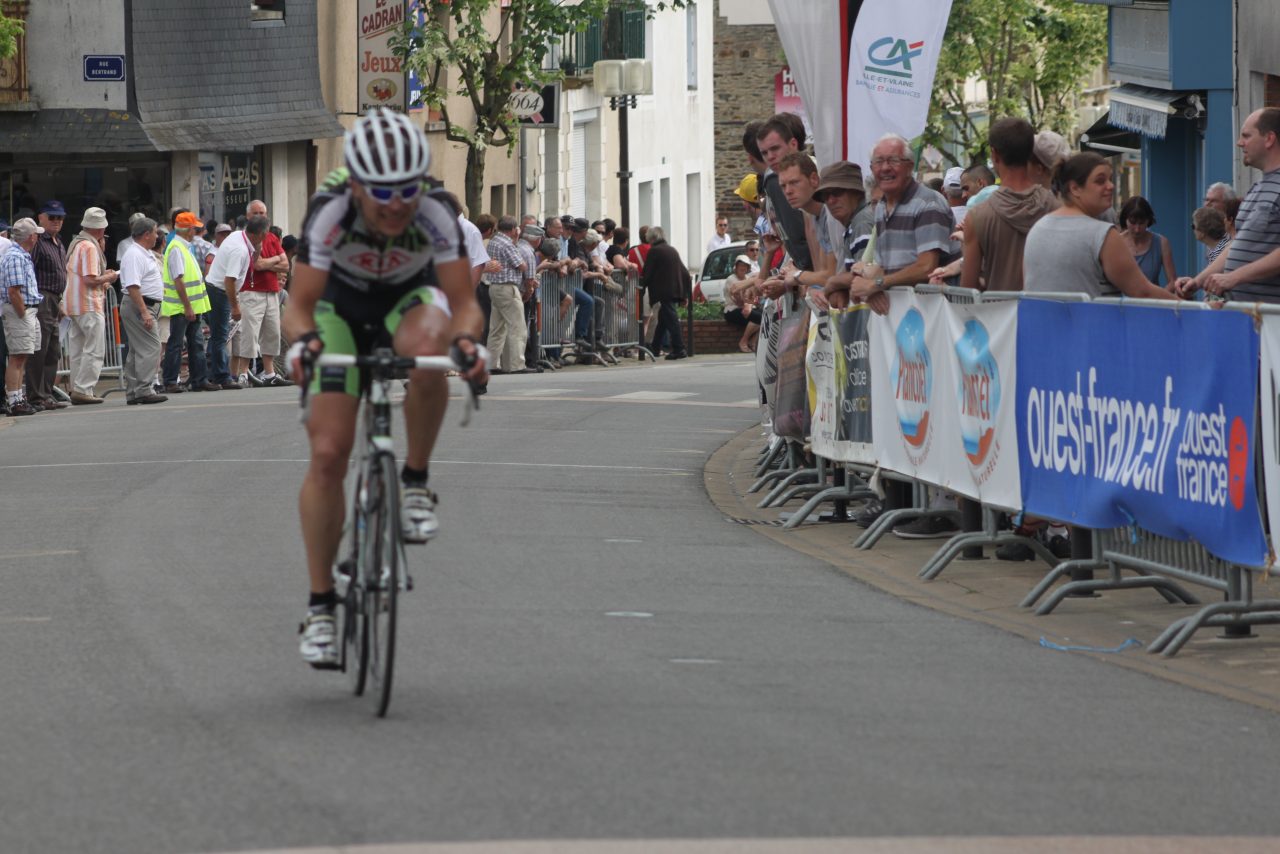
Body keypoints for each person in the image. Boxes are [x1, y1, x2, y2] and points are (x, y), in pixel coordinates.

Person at [283, 108, 487, 668]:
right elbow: (298, 309)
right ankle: (322, 606)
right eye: (380, 191)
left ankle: (415, 480)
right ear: (354, 184)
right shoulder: (330, 212)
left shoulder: (437, 212)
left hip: (407, 301)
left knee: (431, 348)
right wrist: (302, 345)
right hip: (337, 310)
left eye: (406, 190)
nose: (396, 203)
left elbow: (464, 302)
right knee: (327, 454)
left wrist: (467, 344)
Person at [1024, 153, 1178, 301]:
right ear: (1075, 188)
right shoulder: (1103, 235)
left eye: (1110, 179)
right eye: (1100, 181)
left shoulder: (1038, 229)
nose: (1111, 186)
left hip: (1041, 326)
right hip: (1090, 325)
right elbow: (1142, 291)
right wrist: (1189, 308)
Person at [1176, 108, 1280, 304]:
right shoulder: (1257, 188)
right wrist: (1197, 281)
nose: (1240, 143)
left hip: (1269, 323)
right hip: (1242, 317)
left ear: (1269, 139)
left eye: (1246, 136)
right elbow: (1236, 244)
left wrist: (1234, 277)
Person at [960, 117, 1060, 293]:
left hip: (998, 316)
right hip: (1047, 316)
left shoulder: (977, 216)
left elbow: (969, 289)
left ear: (994, 154)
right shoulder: (1057, 208)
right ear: (1031, 152)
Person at [63, 207, 119, 404]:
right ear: (100, 230)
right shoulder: (89, 247)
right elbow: (90, 279)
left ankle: (78, 387)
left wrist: (102, 278)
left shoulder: (76, 243)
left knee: (78, 350)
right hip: (88, 303)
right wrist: (110, 277)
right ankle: (84, 388)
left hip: (74, 304)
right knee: (94, 349)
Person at [204, 216, 268, 389]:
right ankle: (221, 376)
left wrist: (257, 249)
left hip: (218, 289)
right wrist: (235, 306)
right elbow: (229, 280)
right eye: (265, 234)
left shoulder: (240, 236)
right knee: (220, 336)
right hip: (220, 291)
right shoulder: (239, 249)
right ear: (260, 234)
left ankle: (217, 374)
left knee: (219, 335)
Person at [233, 200, 290, 387]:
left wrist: (268, 262)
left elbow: (286, 265)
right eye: (255, 213)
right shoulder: (244, 237)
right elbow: (255, 264)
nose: (259, 216)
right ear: (248, 216)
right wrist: (274, 263)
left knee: (272, 332)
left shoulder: (271, 237)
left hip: (272, 291)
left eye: (262, 212)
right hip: (251, 291)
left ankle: (269, 372)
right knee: (250, 333)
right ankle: (243, 373)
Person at [160, 211, 216, 393]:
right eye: (194, 228)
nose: (196, 232)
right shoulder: (177, 248)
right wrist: (187, 306)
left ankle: (199, 379)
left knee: (195, 343)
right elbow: (178, 280)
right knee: (177, 344)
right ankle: (170, 381)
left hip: (190, 306)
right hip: (182, 307)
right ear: (189, 230)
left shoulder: (183, 247)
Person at [118, 217, 169, 406]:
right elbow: (132, 286)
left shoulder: (142, 252)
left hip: (144, 306)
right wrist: (144, 312)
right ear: (146, 234)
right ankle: (144, 389)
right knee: (152, 347)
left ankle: (134, 391)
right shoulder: (134, 254)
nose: (157, 236)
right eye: (155, 232)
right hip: (140, 306)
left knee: (137, 350)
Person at [25, 201, 70, 411]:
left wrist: (60, 302)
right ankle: (35, 396)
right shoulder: (38, 242)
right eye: (52, 217)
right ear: (41, 217)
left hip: (54, 297)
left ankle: (45, 393)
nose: (56, 221)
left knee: (53, 350)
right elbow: (29, 271)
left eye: (59, 217)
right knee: (40, 349)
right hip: (42, 297)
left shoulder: (58, 242)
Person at [1, 218, 45, 416]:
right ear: (31, 236)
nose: (37, 237)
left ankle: (18, 397)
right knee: (18, 356)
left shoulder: (20, 254)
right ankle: (14, 399)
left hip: (26, 309)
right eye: (36, 233)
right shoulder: (16, 256)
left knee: (22, 355)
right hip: (20, 310)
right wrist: (22, 313)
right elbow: (14, 291)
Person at [482, 215, 530, 373]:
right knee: (517, 327)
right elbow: (522, 265)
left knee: (496, 329)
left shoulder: (494, 241)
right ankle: (516, 365)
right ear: (512, 230)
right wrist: (516, 241)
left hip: (494, 286)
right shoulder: (508, 244)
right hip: (508, 288)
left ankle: (492, 364)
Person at [640, 226, 691, 360]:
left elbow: (647, 273)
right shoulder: (671, 249)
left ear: (651, 238)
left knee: (671, 319)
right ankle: (655, 347)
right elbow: (684, 272)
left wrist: (641, 287)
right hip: (675, 289)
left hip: (664, 291)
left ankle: (679, 348)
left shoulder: (654, 251)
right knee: (663, 318)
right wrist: (685, 293)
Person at [1119, 196, 1176, 286]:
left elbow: (1173, 281)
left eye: (1142, 223)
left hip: (1152, 299)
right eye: (1132, 223)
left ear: (1148, 221)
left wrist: (1159, 297)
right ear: (1125, 220)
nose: (1137, 229)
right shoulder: (1115, 243)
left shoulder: (1161, 243)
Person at [723, 254, 761, 352]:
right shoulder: (731, 279)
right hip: (732, 310)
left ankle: (752, 342)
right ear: (736, 267)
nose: (742, 267)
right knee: (757, 317)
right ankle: (743, 341)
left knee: (763, 316)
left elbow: (755, 298)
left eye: (745, 265)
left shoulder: (748, 278)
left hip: (747, 308)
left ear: (748, 267)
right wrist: (750, 302)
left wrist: (751, 302)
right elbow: (739, 301)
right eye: (740, 265)